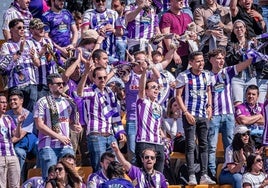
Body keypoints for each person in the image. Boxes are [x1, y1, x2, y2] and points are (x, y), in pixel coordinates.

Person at [207, 48, 253, 179]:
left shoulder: (227, 72)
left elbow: (244, 64)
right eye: (218, 58)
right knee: (211, 147)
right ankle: (211, 174)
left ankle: (231, 170)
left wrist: (252, 55)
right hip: (214, 115)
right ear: (211, 60)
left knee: (231, 145)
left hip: (228, 115)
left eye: (222, 58)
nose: (221, 61)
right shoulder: (207, 75)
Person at [175, 51, 215, 185]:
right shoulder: (183, 76)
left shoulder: (207, 75)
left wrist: (210, 106)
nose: (201, 63)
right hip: (190, 114)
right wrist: (185, 112)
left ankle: (204, 174)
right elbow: (178, 95)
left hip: (203, 114)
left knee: (204, 145)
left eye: (202, 60)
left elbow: (209, 90)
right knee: (191, 145)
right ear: (191, 62)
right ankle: (191, 174)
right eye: (198, 61)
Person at [34, 73, 82, 180]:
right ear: (50, 86)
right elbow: (39, 125)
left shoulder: (68, 102)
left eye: (63, 83)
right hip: (48, 145)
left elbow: (69, 123)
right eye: (58, 83)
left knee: (70, 177)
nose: (61, 85)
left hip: (65, 145)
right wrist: (58, 136)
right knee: (51, 177)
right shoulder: (42, 102)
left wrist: (76, 127)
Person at [78, 67, 127, 172]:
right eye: (100, 78)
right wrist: (85, 73)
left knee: (114, 167)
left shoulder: (110, 93)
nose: (103, 80)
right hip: (96, 135)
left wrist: (119, 131)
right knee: (99, 168)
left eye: (105, 77)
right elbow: (79, 93)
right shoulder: (90, 91)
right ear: (94, 79)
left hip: (110, 135)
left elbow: (115, 114)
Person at [0, 18, 40, 112]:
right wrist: (20, 52)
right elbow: (4, 66)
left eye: (24, 27)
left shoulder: (30, 43)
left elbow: (37, 63)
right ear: (11, 30)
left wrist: (33, 58)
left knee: (31, 112)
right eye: (19, 27)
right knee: (17, 111)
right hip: (15, 83)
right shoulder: (6, 46)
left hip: (31, 83)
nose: (22, 29)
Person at [135, 59, 165, 173]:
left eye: (157, 88)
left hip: (158, 143)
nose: (156, 89)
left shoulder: (159, 106)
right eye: (153, 87)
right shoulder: (143, 101)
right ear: (146, 91)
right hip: (144, 142)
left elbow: (161, 82)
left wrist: (163, 136)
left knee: (159, 175)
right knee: (143, 176)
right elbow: (141, 88)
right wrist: (144, 72)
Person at [6, 89, 38, 182]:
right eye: (10, 100)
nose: (12, 102)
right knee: (19, 152)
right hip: (18, 146)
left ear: (21, 101)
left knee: (41, 147)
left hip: (29, 142)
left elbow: (20, 135)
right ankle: (20, 181)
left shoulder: (28, 115)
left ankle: (40, 177)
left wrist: (5, 143)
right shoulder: (7, 115)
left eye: (15, 99)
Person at [194, 0, 233, 70]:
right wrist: (211, 32)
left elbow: (230, 28)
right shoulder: (199, 10)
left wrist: (222, 25)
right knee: (207, 70)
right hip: (207, 45)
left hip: (221, 44)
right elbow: (199, 29)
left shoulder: (224, 10)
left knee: (222, 70)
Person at [227, 19, 258, 106]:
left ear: (245, 29)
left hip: (251, 76)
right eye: (236, 28)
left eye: (241, 27)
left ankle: (251, 120)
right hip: (237, 77)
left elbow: (257, 61)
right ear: (233, 30)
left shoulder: (252, 43)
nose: (239, 29)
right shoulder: (231, 44)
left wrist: (255, 49)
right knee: (238, 103)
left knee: (252, 103)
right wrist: (239, 52)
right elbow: (229, 61)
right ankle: (240, 119)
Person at [160, 0, 194, 75]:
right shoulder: (166, 16)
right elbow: (166, 37)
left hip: (185, 54)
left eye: (183, 0)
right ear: (171, 2)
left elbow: (192, 32)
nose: (182, 2)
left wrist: (193, 35)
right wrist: (174, 54)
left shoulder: (187, 16)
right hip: (172, 56)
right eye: (179, 0)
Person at [29, 18, 59, 100]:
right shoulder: (29, 43)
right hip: (40, 83)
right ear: (31, 30)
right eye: (38, 28)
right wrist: (42, 51)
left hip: (53, 81)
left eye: (42, 27)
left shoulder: (48, 40)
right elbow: (36, 63)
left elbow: (53, 58)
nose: (42, 30)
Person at [0, 93, 23, 188]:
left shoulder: (8, 118)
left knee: (15, 185)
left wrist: (19, 124)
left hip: (12, 155)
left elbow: (17, 135)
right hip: (0, 156)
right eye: (1, 102)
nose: (5, 105)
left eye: (5, 102)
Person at [235, 84, 265, 149]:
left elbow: (265, 121)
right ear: (245, 95)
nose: (251, 96)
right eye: (249, 94)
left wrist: (249, 119)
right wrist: (260, 116)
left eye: (253, 94)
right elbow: (244, 121)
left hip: (262, 137)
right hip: (247, 137)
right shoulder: (240, 107)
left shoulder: (263, 106)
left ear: (258, 96)